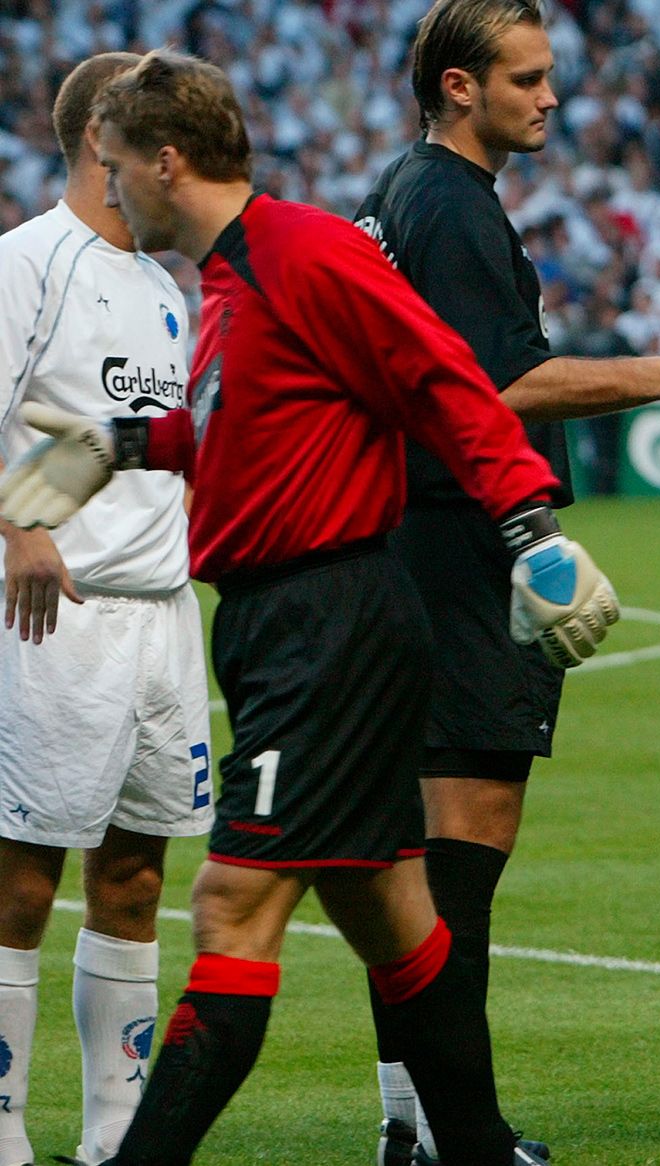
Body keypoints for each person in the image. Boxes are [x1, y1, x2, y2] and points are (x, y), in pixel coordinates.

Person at [0, 49, 615, 1165]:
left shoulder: (304, 251)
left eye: (122, 162)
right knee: (393, 914)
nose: (115, 186)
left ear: (167, 158)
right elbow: (260, 424)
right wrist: (124, 440)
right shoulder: (231, 277)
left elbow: (445, 377)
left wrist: (531, 526)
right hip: (294, 620)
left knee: (232, 904)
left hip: (325, 620)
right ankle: (473, 1151)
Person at [353, 5, 660, 1158]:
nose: (552, 98)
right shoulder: (446, 202)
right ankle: (464, 1132)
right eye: (528, 78)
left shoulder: (412, 190)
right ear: (459, 86)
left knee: (418, 855)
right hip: (452, 548)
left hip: (409, 539)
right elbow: (490, 390)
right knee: (462, 852)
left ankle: (413, 1123)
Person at [0, 52, 207, 1166]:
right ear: (103, 140)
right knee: (22, 874)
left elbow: (135, 447)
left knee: (136, 871)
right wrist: (21, 527)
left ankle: (115, 1140)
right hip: (53, 612)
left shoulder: (165, 285)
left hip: (161, 615)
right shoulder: (26, 262)